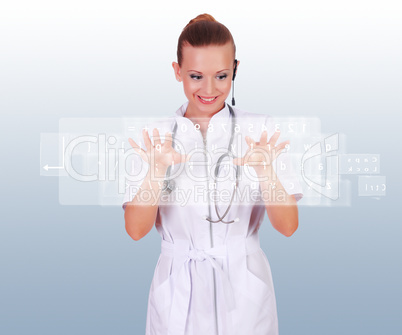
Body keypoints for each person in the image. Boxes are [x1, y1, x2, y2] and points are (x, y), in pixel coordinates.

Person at [122, 13, 303, 335]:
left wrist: (266, 171)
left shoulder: (260, 130)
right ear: (177, 72)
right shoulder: (153, 135)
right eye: (195, 76)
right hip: (177, 287)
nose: (209, 89)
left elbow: (288, 227)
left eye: (221, 76)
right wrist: (156, 170)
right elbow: (136, 231)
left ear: (235, 69)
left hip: (244, 286)